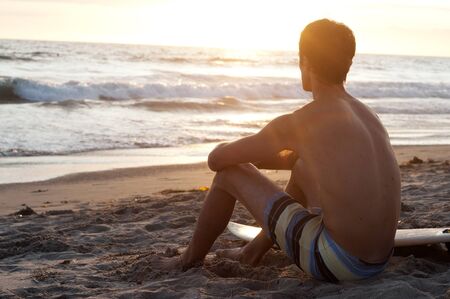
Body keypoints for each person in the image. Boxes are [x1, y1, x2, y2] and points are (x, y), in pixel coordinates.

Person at [158, 19, 401, 282]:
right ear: (348, 64)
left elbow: (217, 160)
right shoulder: (368, 114)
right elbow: (326, 162)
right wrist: (269, 159)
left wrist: (240, 155)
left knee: (229, 174)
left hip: (339, 263)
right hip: (378, 260)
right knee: (303, 167)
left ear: (304, 61)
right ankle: (252, 251)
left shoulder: (302, 122)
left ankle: (188, 259)